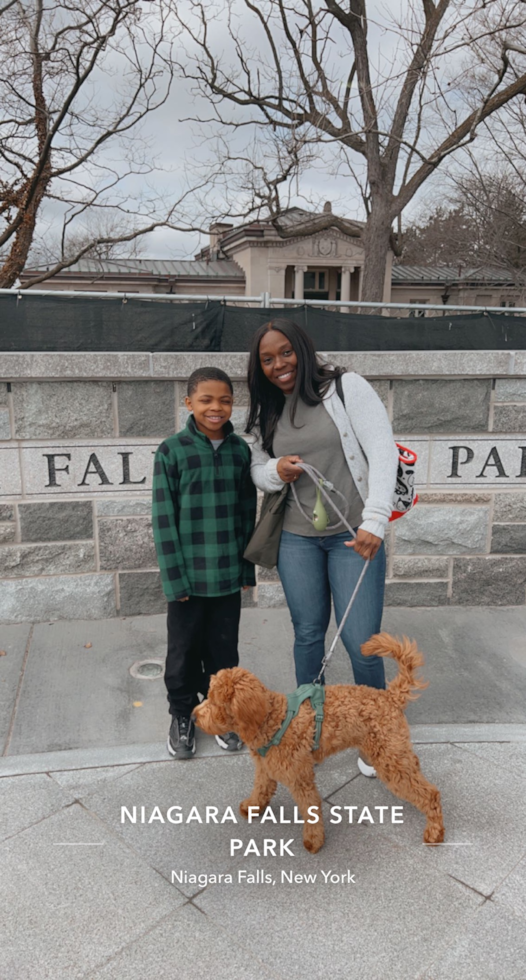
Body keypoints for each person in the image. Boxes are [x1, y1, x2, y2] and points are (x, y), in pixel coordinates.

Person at [246, 319, 398, 777]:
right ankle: (309, 726)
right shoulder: (267, 407)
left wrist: (375, 519)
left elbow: (383, 449)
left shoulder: (346, 387)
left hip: (355, 535)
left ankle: (376, 730)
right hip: (297, 538)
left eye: (285, 353)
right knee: (308, 634)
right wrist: (277, 470)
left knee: (361, 641)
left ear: (303, 349)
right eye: (267, 359)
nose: (279, 365)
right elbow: (256, 467)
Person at [152, 366, 257, 759]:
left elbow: (248, 514)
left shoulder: (239, 451)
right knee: (181, 656)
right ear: (189, 403)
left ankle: (223, 715)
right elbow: (163, 519)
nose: (216, 408)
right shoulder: (172, 450)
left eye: (225, 400)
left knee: (223, 655)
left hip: (227, 578)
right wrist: (174, 580)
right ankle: (183, 715)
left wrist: (246, 570)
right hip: (188, 581)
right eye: (206, 400)